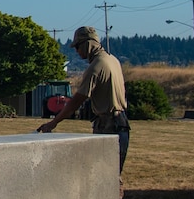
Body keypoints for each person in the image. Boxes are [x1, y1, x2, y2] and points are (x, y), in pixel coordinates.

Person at [38, 25, 130, 171]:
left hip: (108, 125)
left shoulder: (96, 67)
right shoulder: (112, 60)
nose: (76, 50)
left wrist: (53, 122)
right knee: (113, 176)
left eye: (78, 46)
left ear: (88, 43)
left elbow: (76, 101)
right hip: (122, 123)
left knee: (104, 176)